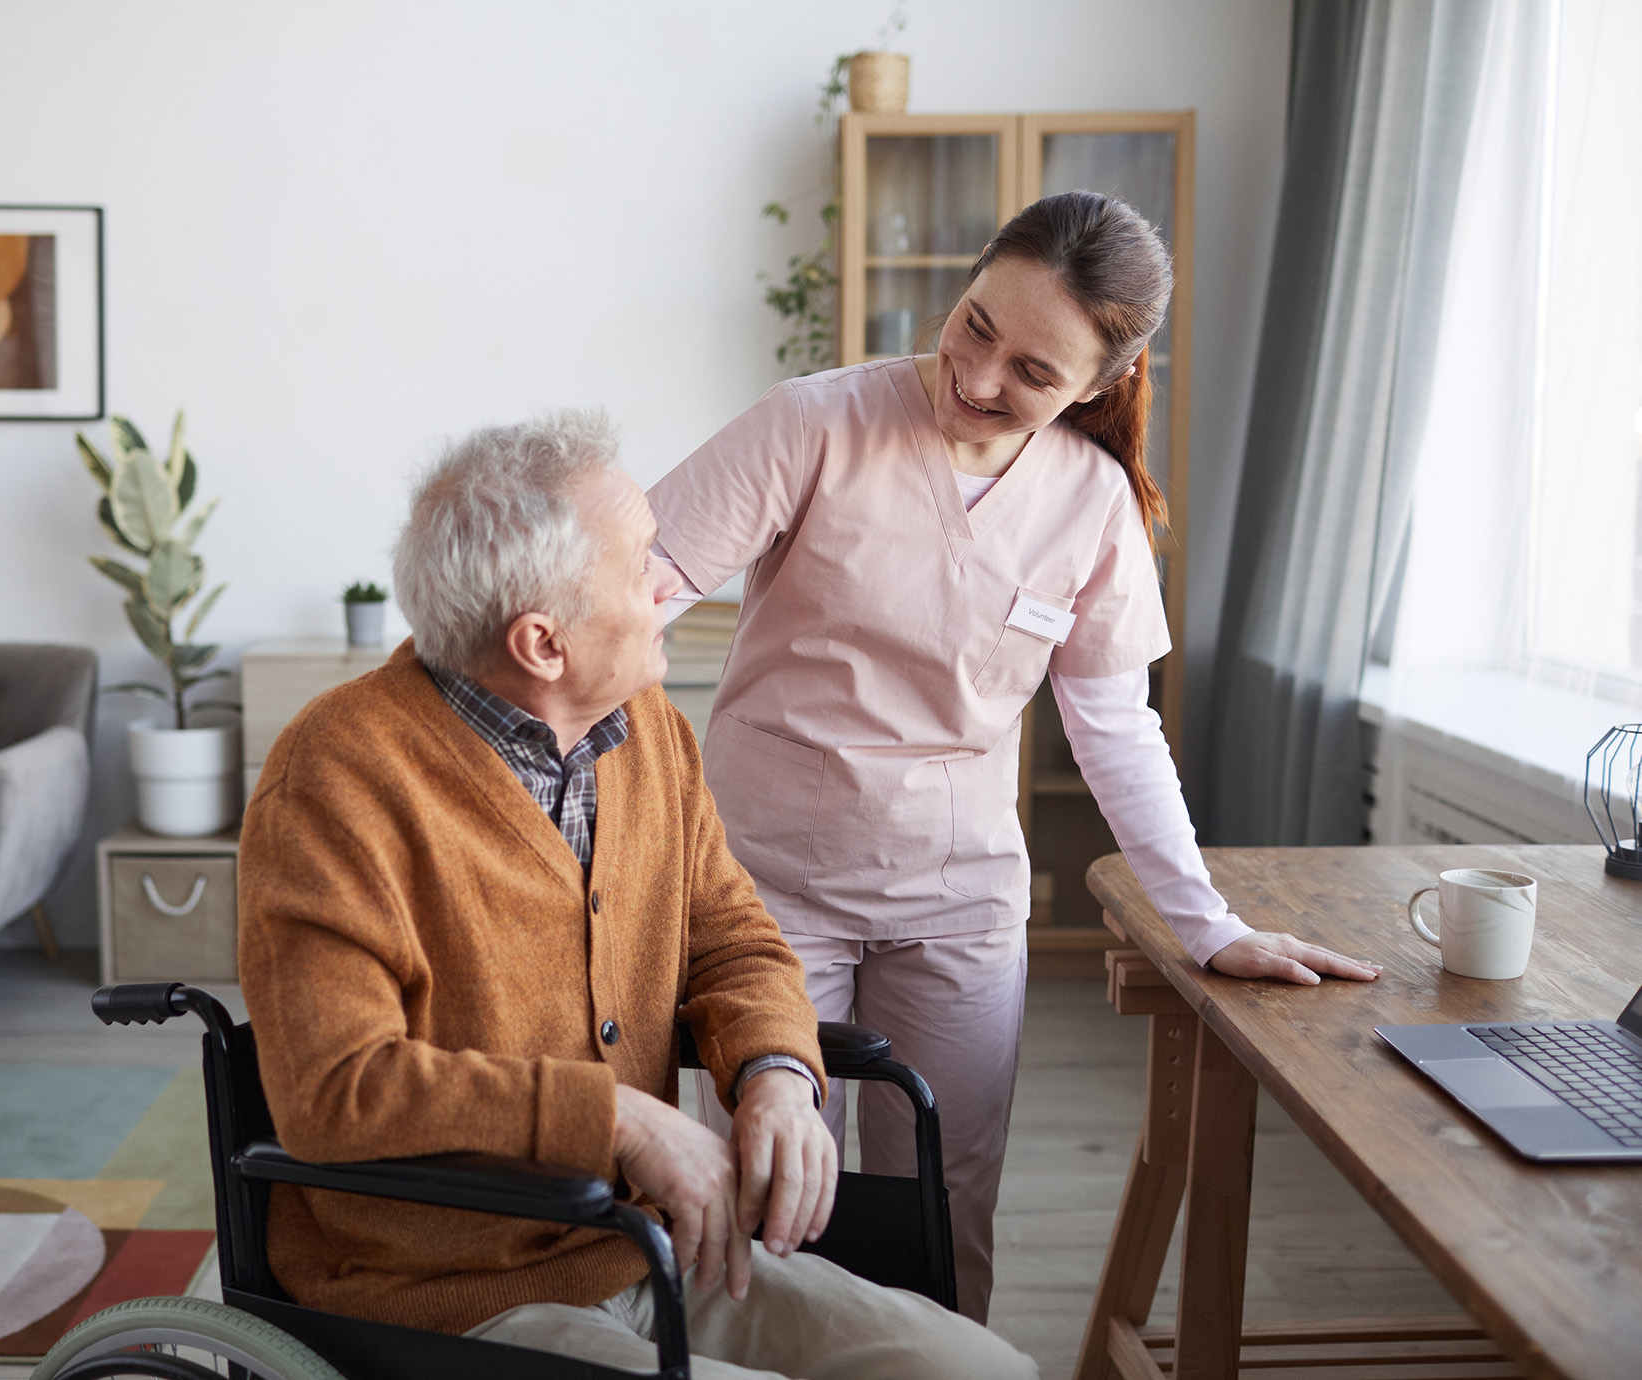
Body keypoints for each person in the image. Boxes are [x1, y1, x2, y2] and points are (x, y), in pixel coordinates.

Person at [645, 191, 1381, 1323]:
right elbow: (631, 597)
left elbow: (1115, 728)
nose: (979, 377)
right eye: (977, 323)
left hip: (957, 903)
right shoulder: (817, 424)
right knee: (765, 1194)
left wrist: (1208, 925)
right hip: (765, 893)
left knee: (940, 1202)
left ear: (1099, 385)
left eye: (1034, 371)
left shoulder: (1091, 504)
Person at [236, 412, 1037, 1380]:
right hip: (439, 1293)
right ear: (543, 642)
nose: (674, 583)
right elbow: (336, 1092)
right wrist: (614, 1118)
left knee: (983, 1374)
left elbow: (733, 938)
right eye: (641, 565)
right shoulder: (336, 780)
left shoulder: (646, 728)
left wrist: (778, 1069)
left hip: (652, 1246)